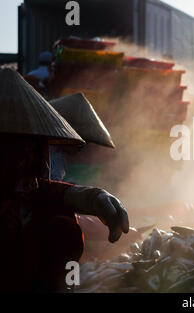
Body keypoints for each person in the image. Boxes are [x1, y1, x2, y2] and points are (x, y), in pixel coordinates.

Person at [0, 68, 129, 292]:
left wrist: (86, 196)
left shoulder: (26, 187)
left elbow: (37, 191)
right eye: (20, 149)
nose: (43, 165)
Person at [49, 92, 143, 261]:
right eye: (81, 141)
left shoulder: (56, 154)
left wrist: (91, 197)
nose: (83, 148)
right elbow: (43, 200)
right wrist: (104, 228)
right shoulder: (48, 156)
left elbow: (52, 191)